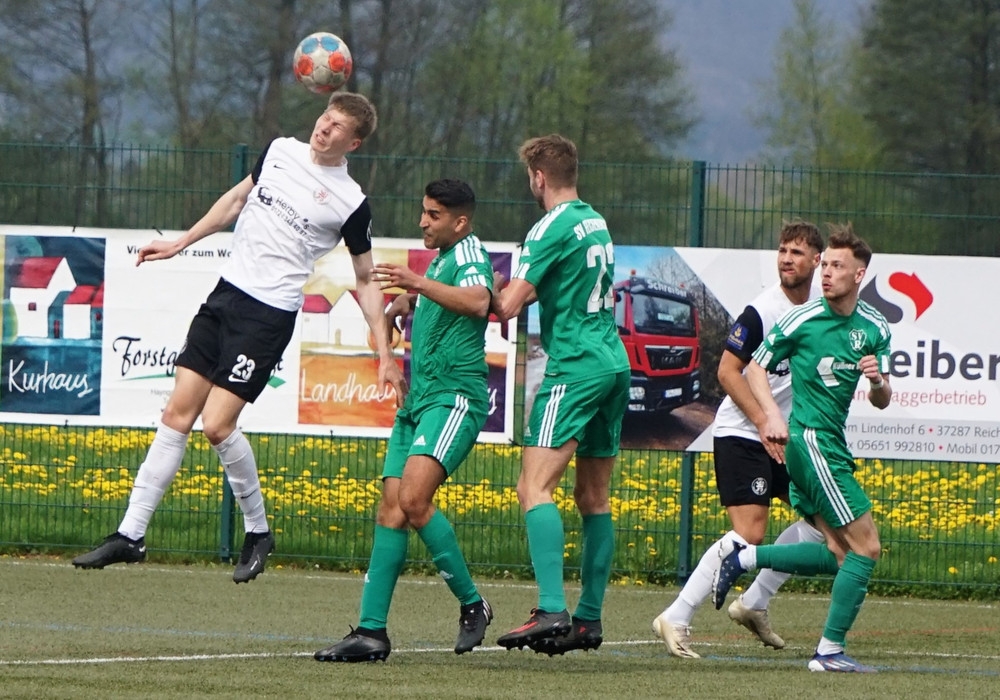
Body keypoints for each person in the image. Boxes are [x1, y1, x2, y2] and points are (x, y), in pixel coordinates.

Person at [72, 92, 404, 584]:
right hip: (225, 296)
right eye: (324, 117)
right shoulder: (280, 150)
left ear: (353, 143)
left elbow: (364, 278)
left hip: (267, 316)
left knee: (217, 425)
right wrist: (181, 242)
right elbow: (233, 201)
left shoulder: (351, 202)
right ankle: (131, 534)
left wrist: (384, 351)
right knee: (176, 414)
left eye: (337, 127)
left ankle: (258, 531)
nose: (324, 128)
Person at [313, 179, 495, 662]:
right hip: (419, 401)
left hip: (454, 398)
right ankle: (371, 631)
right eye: (423, 211)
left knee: (414, 499)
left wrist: (415, 284)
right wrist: (408, 301)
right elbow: (445, 296)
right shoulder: (444, 258)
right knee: (391, 510)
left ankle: (473, 604)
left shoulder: (471, 252)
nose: (423, 222)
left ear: (460, 222)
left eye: (434, 215)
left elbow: (479, 301)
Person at [711, 223, 891, 673]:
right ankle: (828, 652)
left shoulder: (875, 326)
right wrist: (771, 416)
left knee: (840, 553)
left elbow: (883, 399)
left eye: (837, 266)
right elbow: (753, 369)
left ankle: (746, 557)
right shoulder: (800, 319)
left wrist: (877, 382)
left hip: (830, 445)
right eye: (825, 264)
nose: (826, 273)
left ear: (859, 274)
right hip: (810, 444)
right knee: (867, 547)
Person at [653, 221, 827, 658]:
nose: (787, 259)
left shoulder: (820, 311)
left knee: (822, 523)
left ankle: (754, 603)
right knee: (750, 532)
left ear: (817, 261)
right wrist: (763, 420)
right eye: (782, 250)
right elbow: (727, 372)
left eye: (797, 252)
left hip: (783, 438)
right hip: (742, 433)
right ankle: (675, 616)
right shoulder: (761, 311)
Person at [490, 134, 630, 655]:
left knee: (533, 487)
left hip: (574, 367)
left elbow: (507, 306)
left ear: (539, 177)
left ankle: (551, 607)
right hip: (613, 362)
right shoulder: (595, 221)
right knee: (593, 497)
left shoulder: (548, 226)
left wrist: (454, 290)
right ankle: (588, 620)